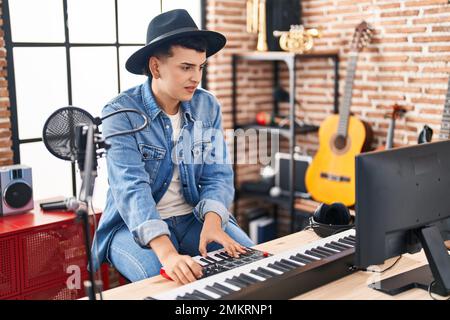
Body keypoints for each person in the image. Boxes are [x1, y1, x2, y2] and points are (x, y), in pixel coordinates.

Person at [92, 9, 254, 284]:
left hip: (193, 217)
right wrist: (168, 254)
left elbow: (218, 174)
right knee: (167, 283)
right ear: (156, 67)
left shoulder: (207, 106)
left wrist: (214, 223)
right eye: (186, 67)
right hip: (131, 226)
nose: (196, 77)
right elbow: (131, 188)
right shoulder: (120, 113)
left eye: (200, 67)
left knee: (248, 266)